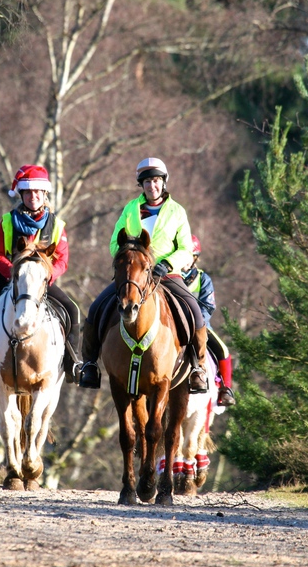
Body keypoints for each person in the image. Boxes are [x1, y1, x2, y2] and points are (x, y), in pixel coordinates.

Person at [78, 157, 209, 392]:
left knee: (194, 311)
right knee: (96, 307)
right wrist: (129, 256)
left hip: (167, 275)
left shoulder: (177, 212)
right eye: (147, 182)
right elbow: (114, 242)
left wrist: (167, 263)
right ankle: (89, 364)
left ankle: (198, 368)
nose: (152, 186)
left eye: (156, 181)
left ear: (163, 182)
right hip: (135, 274)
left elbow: (185, 248)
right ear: (141, 185)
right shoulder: (131, 209)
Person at [0, 165, 81, 387]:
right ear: (21, 194)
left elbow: (62, 260)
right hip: (9, 279)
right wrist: (14, 273)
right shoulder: (7, 221)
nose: (33, 196)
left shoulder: (57, 225)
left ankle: (74, 364)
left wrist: (46, 277)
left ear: (45, 194)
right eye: (28, 192)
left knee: (72, 309)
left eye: (37, 192)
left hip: (41, 283)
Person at [181, 235, 236, 406]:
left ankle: (225, 389)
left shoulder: (203, 279)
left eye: (188, 256)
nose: (184, 261)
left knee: (223, 350)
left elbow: (208, 306)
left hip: (198, 325)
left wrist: (197, 323)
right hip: (173, 323)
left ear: (195, 258)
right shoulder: (168, 276)